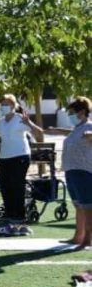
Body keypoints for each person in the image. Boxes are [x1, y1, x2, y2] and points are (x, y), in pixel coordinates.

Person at [0, 94, 44, 223]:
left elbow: (39, 132)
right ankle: (9, 213)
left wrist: (29, 122)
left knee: (17, 185)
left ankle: (19, 215)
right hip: (4, 157)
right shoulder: (2, 121)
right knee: (5, 185)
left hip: (20, 156)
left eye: (6, 104)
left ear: (13, 106)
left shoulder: (20, 119)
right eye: (2, 105)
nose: (4, 107)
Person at [47, 97, 92, 245]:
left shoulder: (88, 127)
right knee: (78, 205)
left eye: (72, 112)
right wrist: (56, 130)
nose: (70, 115)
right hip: (71, 171)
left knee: (87, 206)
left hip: (83, 171)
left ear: (82, 112)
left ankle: (87, 238)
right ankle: (78, 236)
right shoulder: (77, 128)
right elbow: (72, 133)